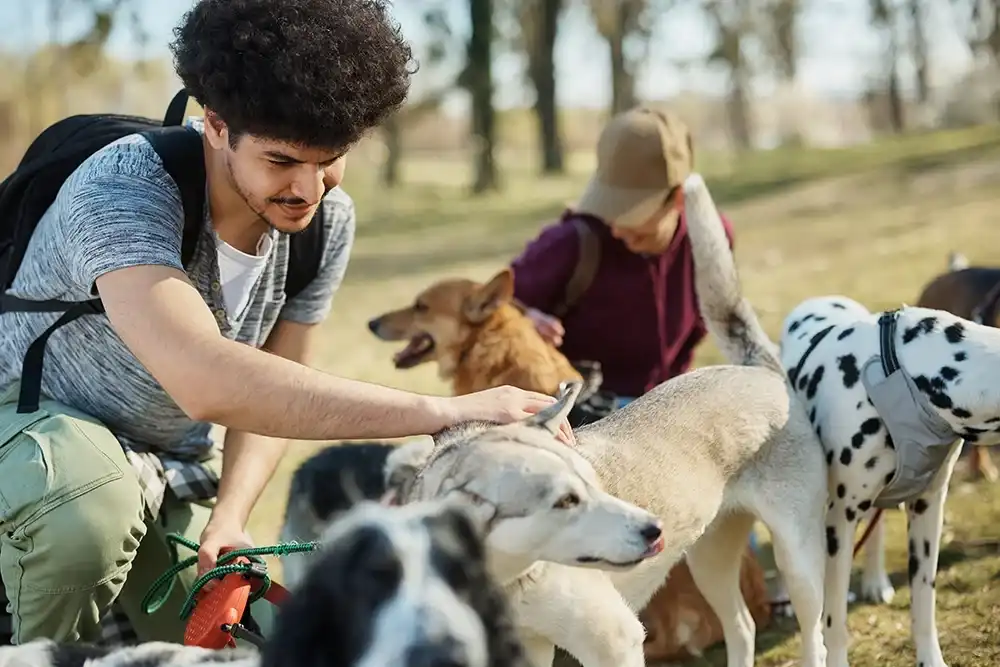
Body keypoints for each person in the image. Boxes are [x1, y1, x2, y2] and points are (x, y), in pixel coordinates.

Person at [0, 0, 565, 647]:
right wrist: (445, 410)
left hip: (164, 460)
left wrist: (230, 519)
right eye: (281, 161)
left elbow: (275, 382)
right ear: (216, 125)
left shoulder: (326, 222)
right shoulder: (124, 187)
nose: (309, 187)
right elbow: (207, 379)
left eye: (329, 158)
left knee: (251, 642)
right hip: (28, 423)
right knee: (88, 514)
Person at [511, 106, 736, 407]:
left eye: (632, 212)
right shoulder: (571, 242)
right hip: (582, 415)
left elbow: (708, 322)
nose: (616, 228)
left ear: (679, 198)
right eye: (610, 206)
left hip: (669, 406)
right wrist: (524, 320)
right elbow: (494, 302)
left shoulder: (709, 240)